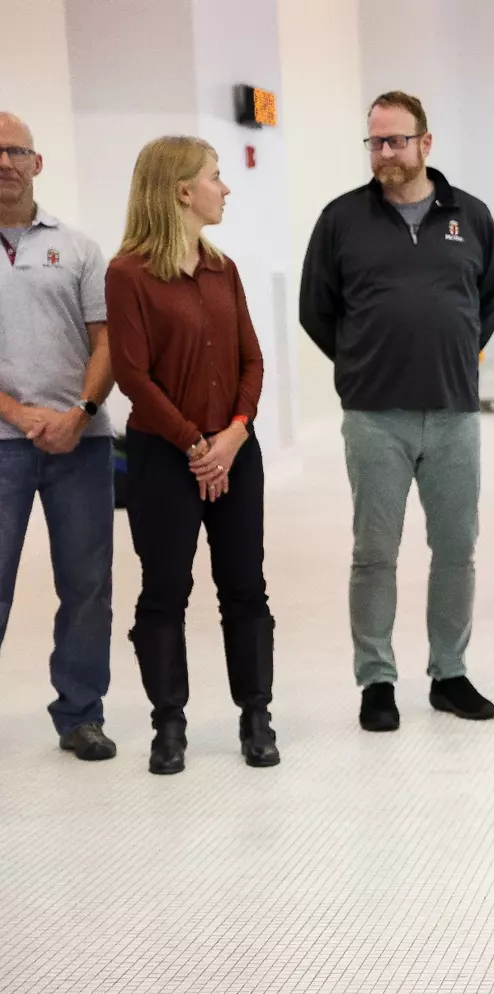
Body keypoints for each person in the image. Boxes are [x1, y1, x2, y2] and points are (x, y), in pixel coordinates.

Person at [299, 91, 494, 734]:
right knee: (373, 553)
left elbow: (488, 303)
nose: (385, 153)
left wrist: (449, 354)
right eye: (376, 142)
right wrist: (364, 361)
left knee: (455, 550)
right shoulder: (341, 220)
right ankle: (377, 681)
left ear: (425, 142)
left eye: (396, 140)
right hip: (374, 417)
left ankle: (449, 673)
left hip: (453, 413)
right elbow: (316, 310)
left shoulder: (471, 217)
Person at [106, 136, 278, 775]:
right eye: (214, 176)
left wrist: (233, 434)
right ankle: (168, 726)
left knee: (245, 588)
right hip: (165, 458)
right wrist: (194, 445)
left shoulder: (221, 268)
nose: (224, 187)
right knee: (164, 591)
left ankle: (256, 717)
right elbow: (133, 377)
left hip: (234, 452)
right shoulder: (128, 275)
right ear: (181, 191)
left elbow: (252, 361)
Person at [0, 112, 117, 762]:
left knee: (87, 582)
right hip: (3, 443)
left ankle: (81, 715)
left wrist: (79, 411)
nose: (4, 163)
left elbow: (108, 341)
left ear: (37, 163)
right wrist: (18, 415)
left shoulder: (77, 248)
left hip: (83, 442)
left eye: (16, 151)